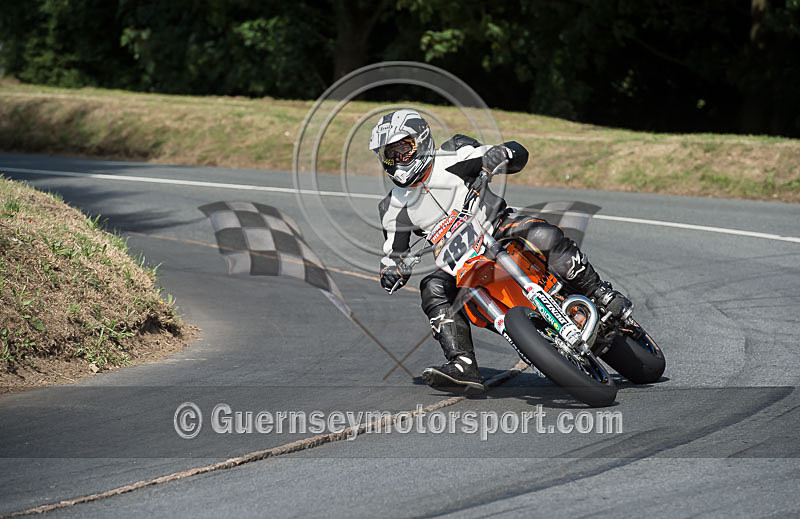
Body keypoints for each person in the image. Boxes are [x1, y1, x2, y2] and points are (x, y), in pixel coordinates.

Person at [370, 109, 631, 392]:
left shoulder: (455, 155)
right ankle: (462, 364)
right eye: (389, 155)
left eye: (403, 150)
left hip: (498, 227)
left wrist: (500, 155)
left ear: (420, 141)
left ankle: (599, 292)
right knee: (431, 285)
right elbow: (392, 255)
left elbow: (515, 152)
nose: (397, 160)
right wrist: (391, 271)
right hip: (460, 260)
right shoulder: (392, 208)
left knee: (541, 232)